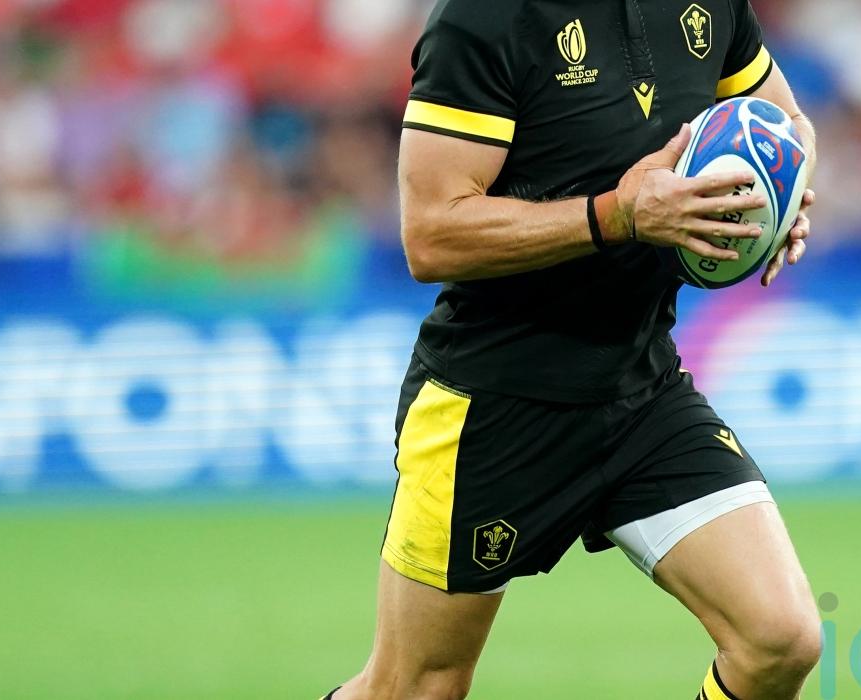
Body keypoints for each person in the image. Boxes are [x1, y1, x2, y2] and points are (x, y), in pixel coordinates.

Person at [325, 0, 820, 697]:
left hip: (640, 386)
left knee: (781, 639)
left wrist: (784, 197)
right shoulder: (484, 18)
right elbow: (430, 233)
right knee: (416, 687)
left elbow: (785, 122)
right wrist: (619, 214)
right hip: (493, 403)